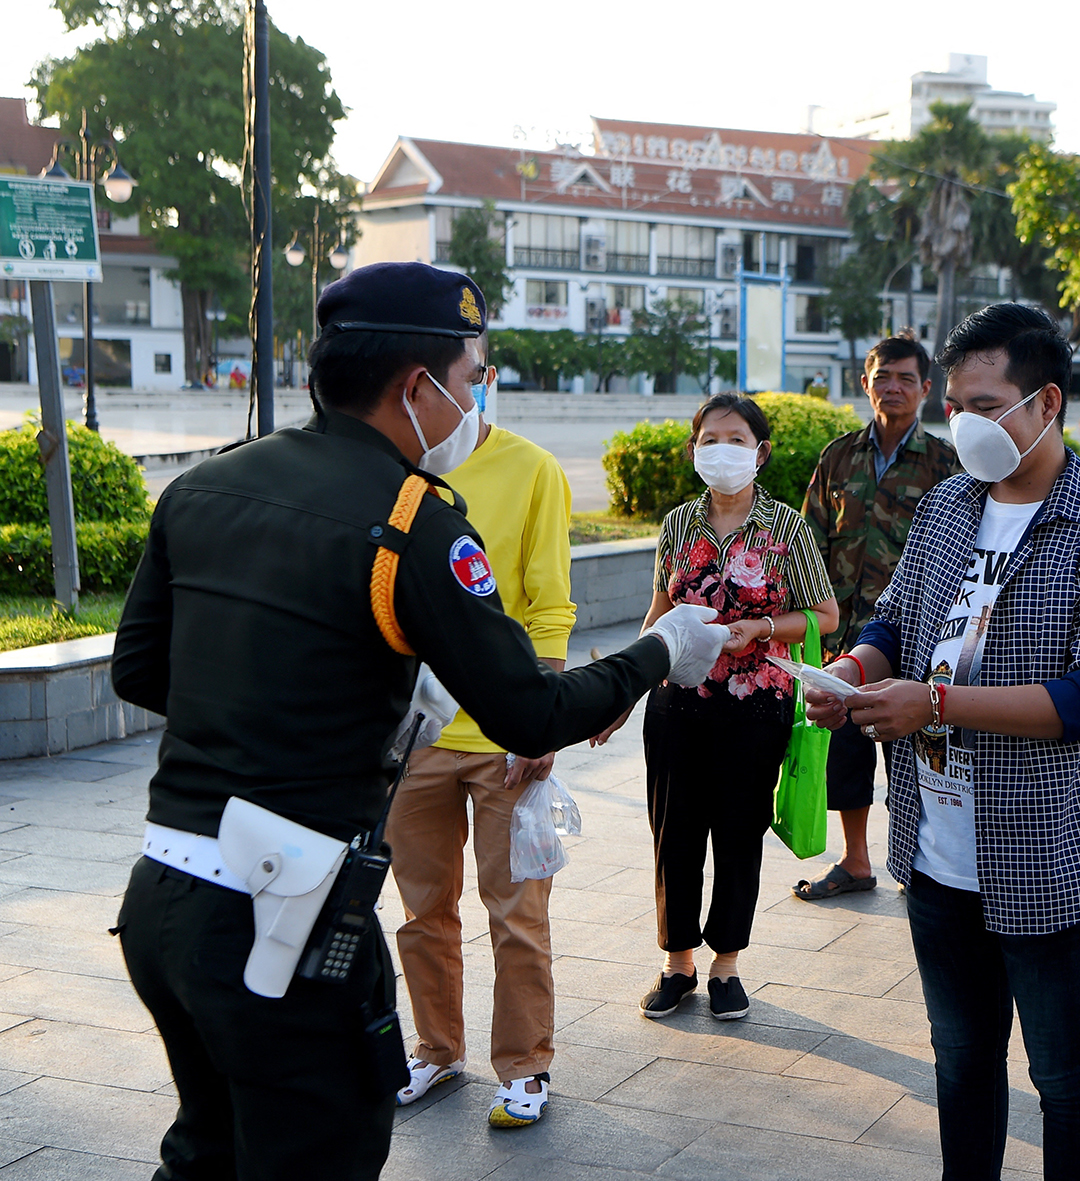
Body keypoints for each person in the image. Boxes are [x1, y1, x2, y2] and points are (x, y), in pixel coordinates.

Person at [108, 262, 729, 1179]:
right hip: (284, 915)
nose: (473, 403)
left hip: (162, 896)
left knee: (205, 1151)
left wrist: (337, 699)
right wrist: (661, 650)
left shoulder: (209, 484)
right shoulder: (415, 520)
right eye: (471, 379)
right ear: (418, 388)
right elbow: (530, 710)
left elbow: (139, 669)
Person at [803, 303, 1080, 1181]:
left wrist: (934, 702)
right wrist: (854, 666)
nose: (963, 423)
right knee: (960, 1063)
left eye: (985, 403)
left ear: (1045, 403)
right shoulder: (946, 507)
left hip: (1043, 854)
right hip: (937, 853)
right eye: (955, 403)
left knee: (1066, 1076)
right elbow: (898, 614)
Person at [383, 355, 575, 1127]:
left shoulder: (531, 468)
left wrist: (544, 717)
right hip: (416, 736)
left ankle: (526, 1066)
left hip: (504, 736)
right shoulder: (395, 472)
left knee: (517, 911)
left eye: (469, 371)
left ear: (483, 376)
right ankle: (435, 1048)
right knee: (422, 908)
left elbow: (550, 601)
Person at [611, 393, 838, 1022]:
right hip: (678, 704)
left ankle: (727, 964)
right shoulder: (677, 525)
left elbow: (824, 615)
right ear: (693, 450)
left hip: (755, 708)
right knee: (673, 830)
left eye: (736, 440)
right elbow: (659, 611)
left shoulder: (788, 526)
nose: (723, 451)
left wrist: (760, 628)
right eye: (710, 439)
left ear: (760, 452)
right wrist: (625, 686)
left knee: (739, 835)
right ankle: (677, 960)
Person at [797, 331, 958, 901]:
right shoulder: (839, 455)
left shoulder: (947, 462)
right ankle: (856, 860)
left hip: (911, 639)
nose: (893, 388)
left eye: (905, 379)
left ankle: (918, 862)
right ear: (865, 384)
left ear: (926, 389)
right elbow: (808, 538)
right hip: (841, 634)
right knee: (844, 751)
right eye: (882, 377)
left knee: (909, 748)